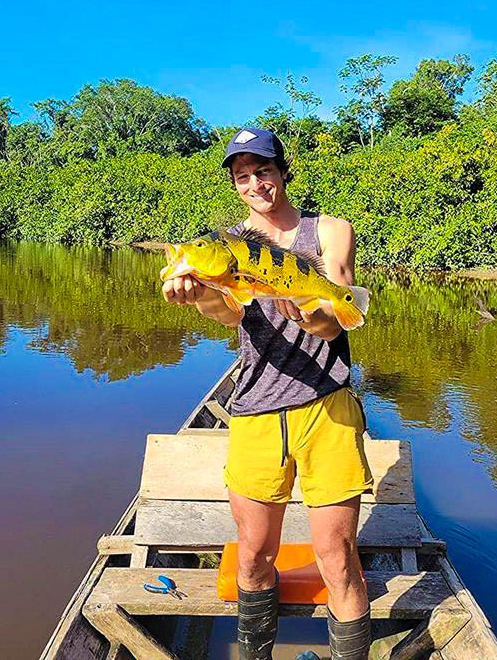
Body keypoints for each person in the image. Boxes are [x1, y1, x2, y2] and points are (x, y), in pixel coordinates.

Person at [162, 128, 373, 660]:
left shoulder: (330, 231)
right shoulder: (228, 245)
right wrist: (199, 295)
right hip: (256, 407)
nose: (255, 183)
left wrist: (312, 311)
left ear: (282, 170)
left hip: (327, 406)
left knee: (338, 555)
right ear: (234, 185)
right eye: (242, 176)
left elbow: (338, 319)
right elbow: (228, 312)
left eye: (263, 171)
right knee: (254, 552)